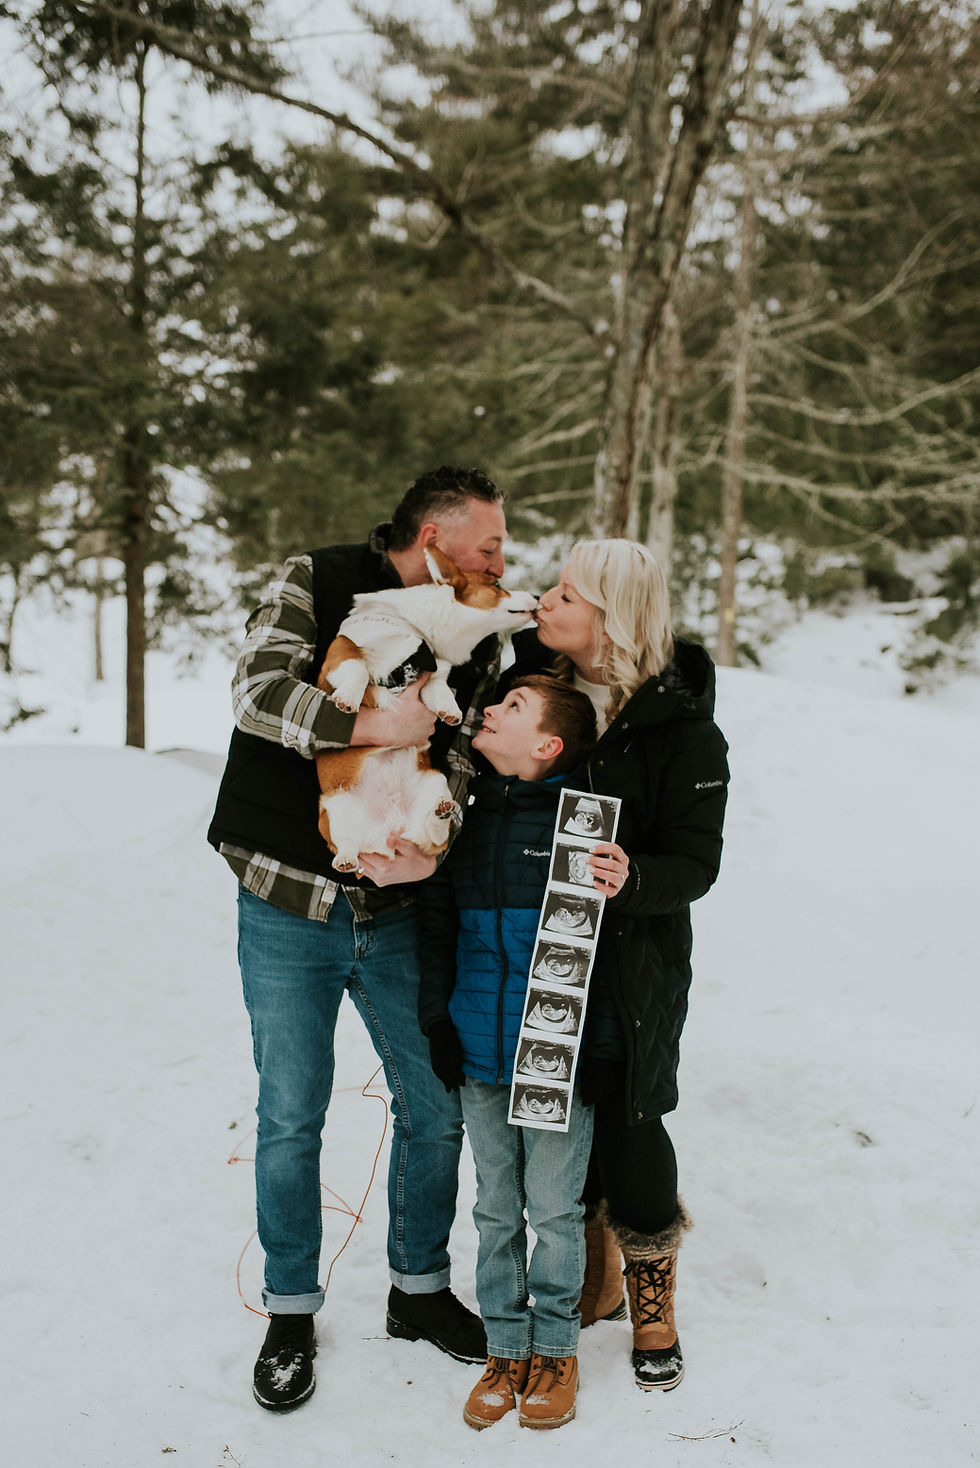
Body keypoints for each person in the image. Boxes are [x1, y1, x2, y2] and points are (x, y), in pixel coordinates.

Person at [207, 466, 510, 1411]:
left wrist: (435, 846)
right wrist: (375, 717)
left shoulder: (479, 627)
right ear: (433, 541)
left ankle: (419, 1290)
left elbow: (465, 758)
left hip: (398, 911)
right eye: (491, 546)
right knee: (292, 1114)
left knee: (435, 1104)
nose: (503, 561)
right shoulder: (318, 578)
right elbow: (257, 693)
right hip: (286, 897)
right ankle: (291, 1310)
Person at [510, 538, 730, 1392]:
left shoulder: (683, 731)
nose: (545, 601)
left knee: (633, 1121)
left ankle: (652, 1298)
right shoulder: (533, 689)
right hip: (535, 948)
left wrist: (631, 879)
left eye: (568, 592)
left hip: (633, 961)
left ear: (610, 615)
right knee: (554, 1116)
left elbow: (695, 864)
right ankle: (584, 1276)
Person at [416, 674, 621, 1431]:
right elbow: (437, 929)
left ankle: (556, 1350)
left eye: (513, 707)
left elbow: (598, 952)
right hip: (478, 1051)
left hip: (554, 1056)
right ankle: (507, 1345)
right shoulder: (460, 819)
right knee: (496, 1207)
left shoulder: (581, 827)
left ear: (547, 746)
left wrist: (597, 1047)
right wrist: (438, 1020)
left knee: (557, 1212)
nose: (490, 710)